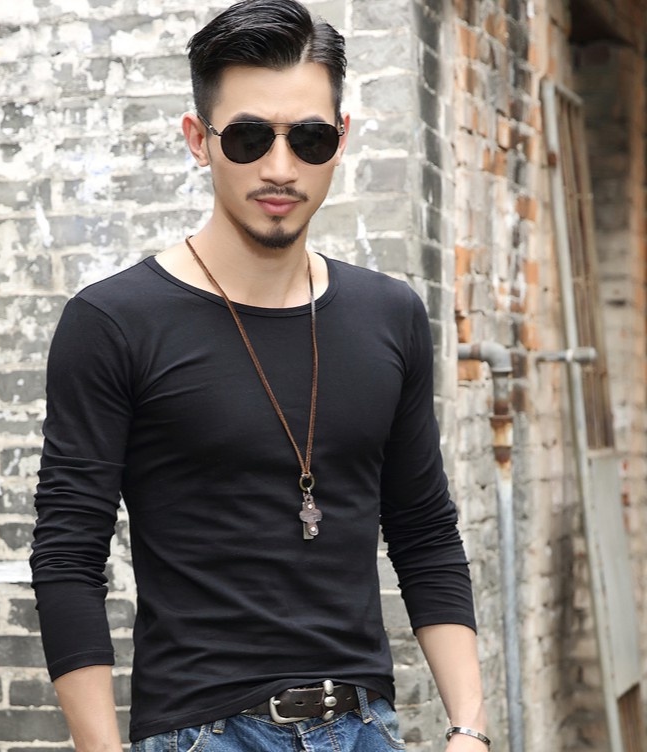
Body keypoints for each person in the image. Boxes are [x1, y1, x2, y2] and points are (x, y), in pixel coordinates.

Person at [30, 1, 489, 750]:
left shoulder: (390, 314)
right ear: (198, 140)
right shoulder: (114, 321)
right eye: (248, 138)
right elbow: (68, 555)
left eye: (308, 138)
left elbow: (425, 530)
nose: (280, 168)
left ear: (341, 140)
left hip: (366, 727)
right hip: (203, 733)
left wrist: (469, 728)